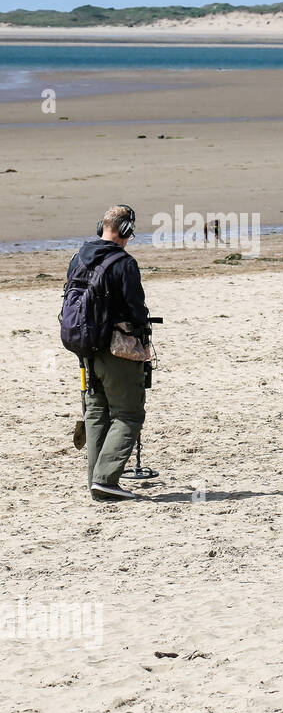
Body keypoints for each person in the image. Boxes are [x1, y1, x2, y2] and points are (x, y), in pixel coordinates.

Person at [68, 205, 152, 501]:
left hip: (85, 348)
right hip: (118, 348)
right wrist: (143, 335)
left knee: (96, 413)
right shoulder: (123, 263)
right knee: (128, 414)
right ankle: (105, 479)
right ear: (126, 230)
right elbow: (136, 308)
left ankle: (97, 479)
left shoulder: (78, 258)